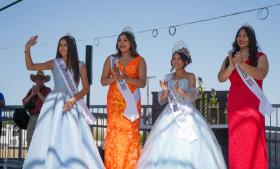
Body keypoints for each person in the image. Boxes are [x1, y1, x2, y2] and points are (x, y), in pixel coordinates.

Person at [137, 41, 227, 169]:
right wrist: (165, 90)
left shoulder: (190, 76)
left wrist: (180, 91)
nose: (176, 61)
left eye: (179, 58)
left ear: (185, 61)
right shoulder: (168, 77)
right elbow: (162, 100)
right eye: (174, 59)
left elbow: (193, 96)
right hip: (170, 113)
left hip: (187, 112)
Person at [22, 35, 105, 169]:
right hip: (55, 102)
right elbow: (30, 66)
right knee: (51, 134)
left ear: (71, 47)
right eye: (60, 45)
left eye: (65, 45)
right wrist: (27, 49)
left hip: (72, 101)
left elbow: (86, 88)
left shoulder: (80, 65)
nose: (62, 48)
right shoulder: (54, 63)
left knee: (72, 135)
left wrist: (73, 100)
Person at [218, 25, 270, 169]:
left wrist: (241, 64)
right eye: (239, 35)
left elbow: (261, 74)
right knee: (237, 145)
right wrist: (231, 66)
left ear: (251, 39)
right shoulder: (229, 58)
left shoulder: (260, 57)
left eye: (245, 35)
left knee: (254, 144)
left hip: (253, 108)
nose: (241, 38)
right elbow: (221, 78)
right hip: (235, 107)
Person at [101, 26, 147, 169]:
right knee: (114, 135)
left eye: (125, 40)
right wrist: (114, 79)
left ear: (131, 43)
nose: (122, 42)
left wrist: (125, 77)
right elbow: (103, 81)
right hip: (114, 104)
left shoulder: (140, 60)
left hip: (131, 103)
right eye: (119, 40)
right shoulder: (111, 60)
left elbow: (142, 82)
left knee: (129, 136)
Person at [22, 71, 51, 147]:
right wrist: (32, 94)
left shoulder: (47, 90)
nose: (39, 81)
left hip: (43, 117)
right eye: (37, 79)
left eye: (41, 79)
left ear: (44, 80)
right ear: (35, 80)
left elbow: (47, 102)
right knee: (29, 138)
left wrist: (38, 93)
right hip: (32, 117)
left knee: (42, 139)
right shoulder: (31, 90)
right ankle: (30, 158)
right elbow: (24, 102)